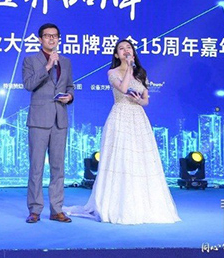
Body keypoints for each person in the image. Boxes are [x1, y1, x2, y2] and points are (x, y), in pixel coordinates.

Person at [64, 39, 180, 224]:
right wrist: (128, 69)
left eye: (129, 48)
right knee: (122, 158)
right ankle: (118, 205)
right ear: (117, 55)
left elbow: (146, 100)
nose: (126, 50)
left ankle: (143, 204)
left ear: (133, 52)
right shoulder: (112, 73)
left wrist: (140, 100)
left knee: (140, 159)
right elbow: (124, 88)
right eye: (121, 48)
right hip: (120, 116)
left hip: (138, 118)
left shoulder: (141, 73)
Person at [22, 23, 74, 223]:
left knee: (58, 168)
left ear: (59, 39)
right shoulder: (30, 60)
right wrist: (48, 66)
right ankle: (35, 210)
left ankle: (56, 209)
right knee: (36, 167)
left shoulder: (66, 62)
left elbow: (70, 86)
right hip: (39, 120)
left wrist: (69, 96)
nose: (52, 39)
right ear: (40, 39)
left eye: (55, 36)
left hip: (60, 119)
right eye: (47, 36)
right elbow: (29, 85)